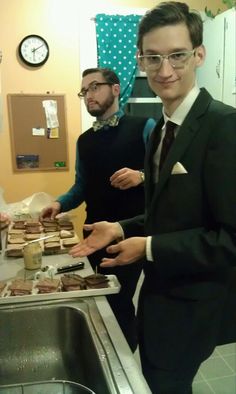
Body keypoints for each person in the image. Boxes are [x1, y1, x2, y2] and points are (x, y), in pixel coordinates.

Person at [69, 3, 236, 394]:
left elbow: (230, 238)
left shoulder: (224, 126)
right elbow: (169, 213)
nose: (164, 71)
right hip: (160, 298)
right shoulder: (161, 127)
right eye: (153, 58)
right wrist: (120, 227)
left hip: (193, 304)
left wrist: (147, 247)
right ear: (140, 60)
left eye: (177, 55)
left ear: (199, 54)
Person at [40, 67, 156, 352]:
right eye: (84, 91)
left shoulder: (146, 127)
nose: (88, 95)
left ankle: (124, 361)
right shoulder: (84, 140)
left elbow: (167, 177)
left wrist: (141, 176)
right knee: (98, 293)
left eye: (95, 87)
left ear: (115, 89)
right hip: (92, 234)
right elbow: (81, 186)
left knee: (118, 297)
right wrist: (58, 203)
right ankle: (106, 351)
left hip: (131, 232)